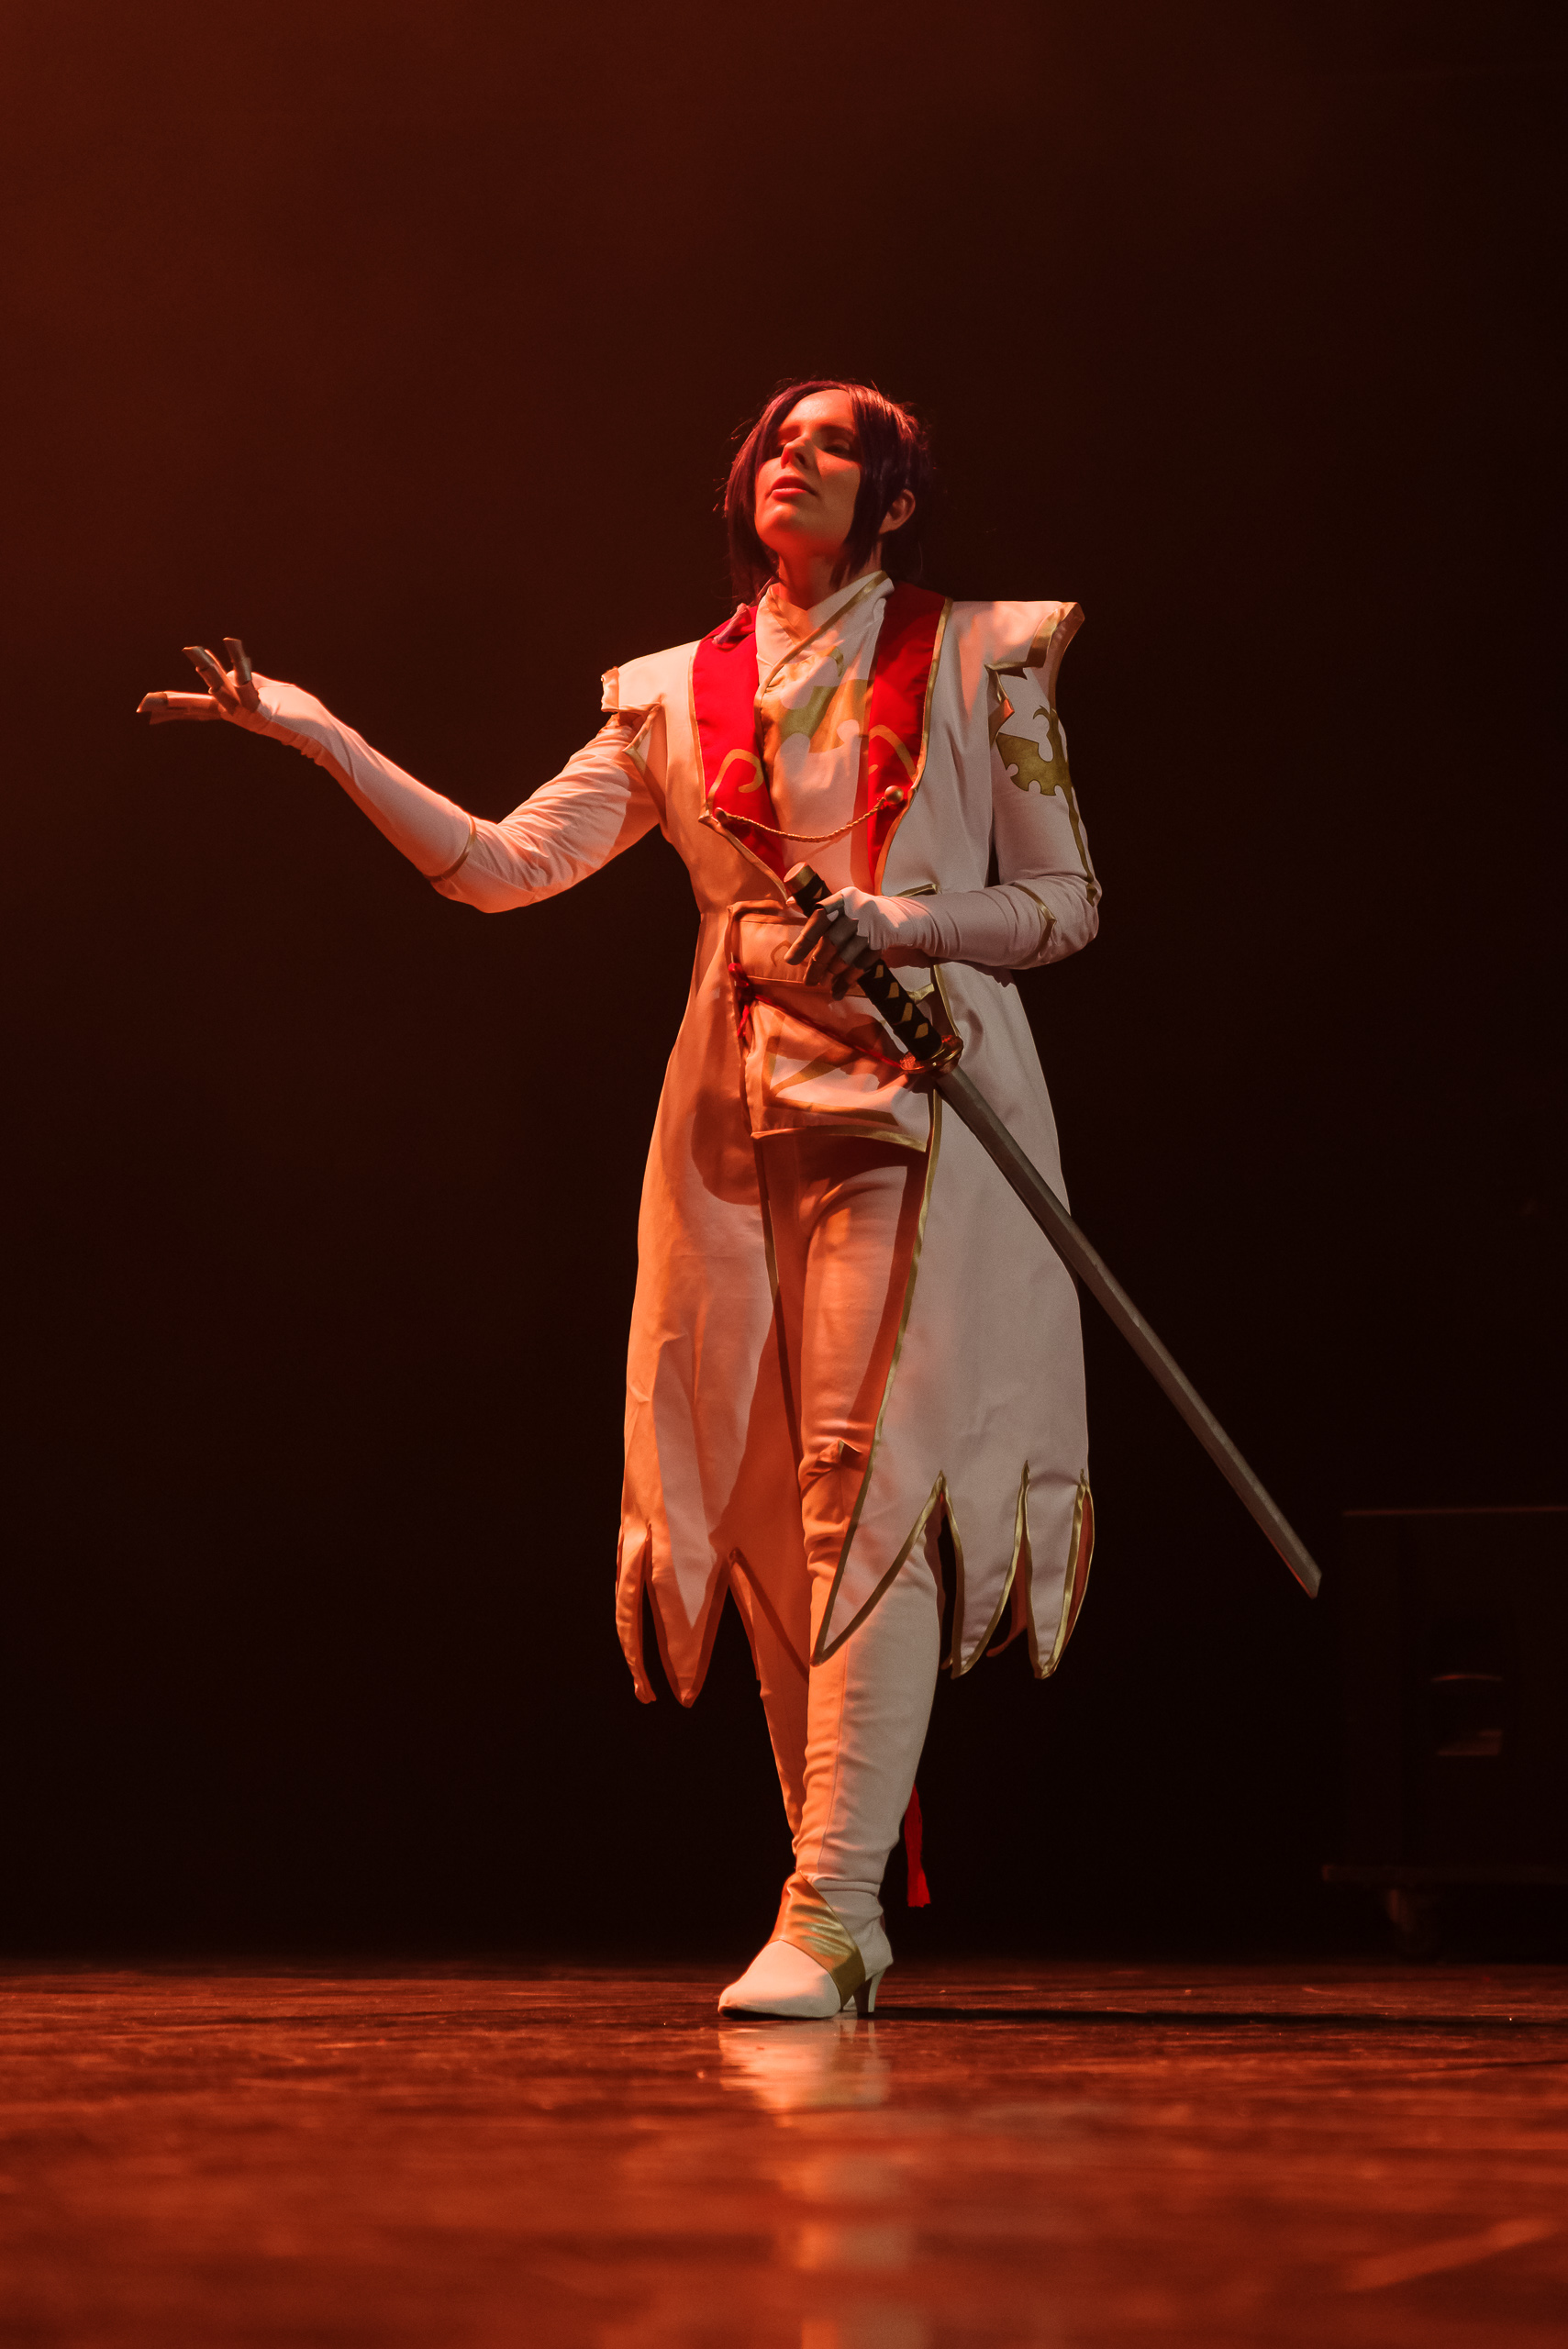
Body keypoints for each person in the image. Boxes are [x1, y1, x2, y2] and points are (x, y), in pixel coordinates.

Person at [139, 378, 1101, 2019]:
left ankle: (830, 1911)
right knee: (757, 1495)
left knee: (862, 1479)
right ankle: (833, 1895)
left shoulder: (975, 658)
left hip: (913, 1103)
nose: (792, 458)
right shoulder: (671, 694)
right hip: (730, 1115)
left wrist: (907, 921)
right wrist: (316, 734)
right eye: (776, 440)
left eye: (834, 444)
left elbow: (1064, 903)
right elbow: (501, 866)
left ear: (893, 500)